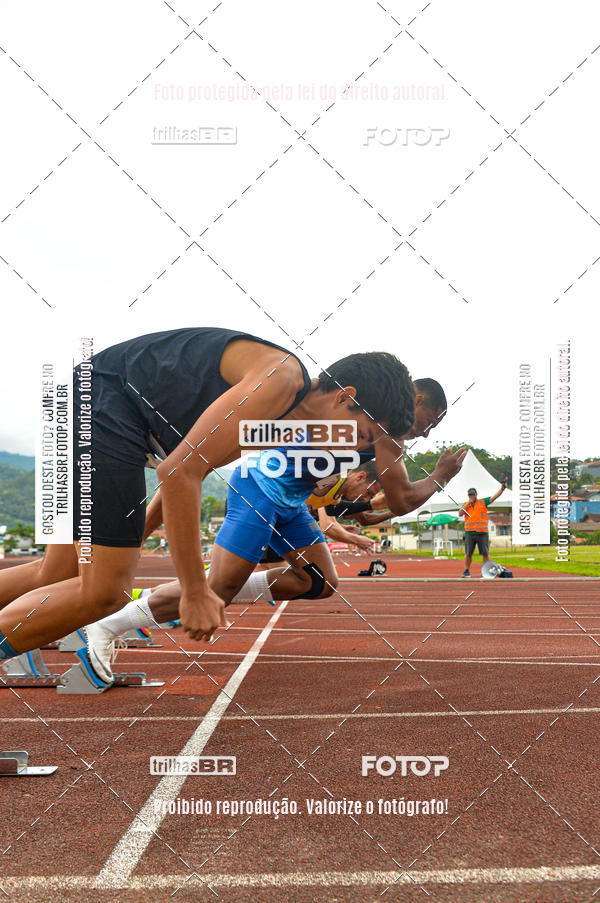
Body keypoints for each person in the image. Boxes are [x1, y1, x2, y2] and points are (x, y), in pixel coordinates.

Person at [0, 329, 417, 661]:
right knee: (105, 592)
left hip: (85, 403)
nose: (350, 449)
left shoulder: (285, 424)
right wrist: (195, 591)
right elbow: (180, 472)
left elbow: (184, 474)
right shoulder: (281, 381)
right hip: (101, 406)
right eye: (361, 434)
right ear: (346, 397)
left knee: (54, 576)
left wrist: (137, 535)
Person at [459, 480, 507, 577]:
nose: (471, 496)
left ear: (476, 494)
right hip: (470, 533)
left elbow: (493, 497)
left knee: (485, 553)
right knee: (468, 553)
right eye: (470, 495)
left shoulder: (482, 502)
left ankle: (488, 571)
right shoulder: (465, 504)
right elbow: (460, 513)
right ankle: (467, 570)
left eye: (473, 495)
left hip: (482, 533)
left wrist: (502, 489)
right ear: (468, 496)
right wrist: (468, 503)